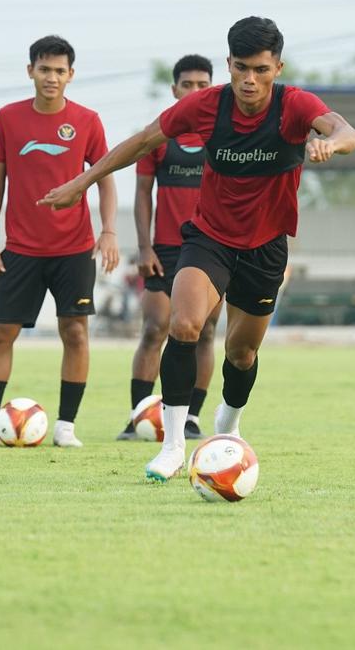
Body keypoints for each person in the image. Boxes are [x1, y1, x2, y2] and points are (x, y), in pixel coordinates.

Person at [38, 17, 355, 479]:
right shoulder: (207, 106)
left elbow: (347, 130)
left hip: (266, 247)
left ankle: (227, 427)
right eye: (242, 68)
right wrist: (82, 181)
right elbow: (142, 141)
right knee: (184, 325)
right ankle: (172, 447)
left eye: (262, 70)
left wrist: (333, 143)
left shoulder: (295, 106)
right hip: (209, 238)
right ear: (228, 64)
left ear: (277, 68)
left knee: (241, 354)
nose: (251, 80)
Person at [0, 35, 120, 449]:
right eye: (44, 69)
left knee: (74, 332)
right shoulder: (8, 118)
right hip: (20, 248)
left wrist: (109, 230)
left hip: (74, 248)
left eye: (60, 71)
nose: (52, 78)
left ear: (71, 75)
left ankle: (66, 427)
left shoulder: (88, 120)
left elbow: (106, 179)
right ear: (30, 72)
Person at [117, 54, 220, 442]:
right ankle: (138, 415)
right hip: (165, 249)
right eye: (187, 84)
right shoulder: (160, 134)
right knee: (155, 328)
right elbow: (143, 194)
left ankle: (191, 418)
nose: (195, 91)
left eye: (202, 85)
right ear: (174, 89)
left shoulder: (220, 135)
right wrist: (144, 247)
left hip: (211, 249)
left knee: (206, 332)